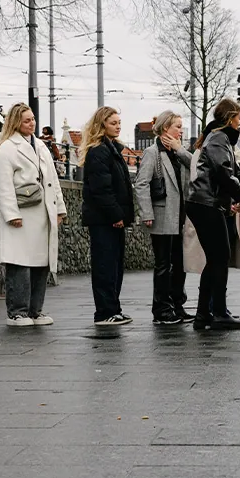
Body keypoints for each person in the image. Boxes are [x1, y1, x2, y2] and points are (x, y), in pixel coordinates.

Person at [0, 103, 68, 327]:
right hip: (22, 214)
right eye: (27, 120)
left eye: (33, 119)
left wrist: (60, 209)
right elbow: (2, 185)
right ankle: (17, 312)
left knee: (41, 263)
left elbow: (53, 181)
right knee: (19, 264)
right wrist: (10, 213)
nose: (32, 123)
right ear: (16, 122)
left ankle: (36, 310)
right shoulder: (7, 148)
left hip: (42, 214)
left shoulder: (41, 146)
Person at [186, 98, 240, 331]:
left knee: (216, 258)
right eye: (238, 118)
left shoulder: (220, 139)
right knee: (220, 256)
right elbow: (224, 173)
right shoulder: (218, 138)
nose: (239, 123)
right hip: (206, 203)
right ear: (229, 118)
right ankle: (218, 313)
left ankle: (204, 314)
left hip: (207, 203)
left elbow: (236, 172)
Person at [133, 110, 194, 325]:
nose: (181, 130)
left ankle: (177, 304)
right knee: (163, 264)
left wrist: (180, 151)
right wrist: (146, 213)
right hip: (162, 216)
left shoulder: (179, 151)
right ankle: (161, 309)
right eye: (177, 126)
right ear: (165, 127)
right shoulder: (152, 153)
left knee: (179, 263)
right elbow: (141, 184)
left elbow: (196, 167)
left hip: (180, 217)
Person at [80, 106, 135, 326]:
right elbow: (102, 189)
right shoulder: (99, 151)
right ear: (102, 125)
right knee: (105, 265)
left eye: (119, 122)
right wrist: (115, 214)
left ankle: (113, 308)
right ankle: (104, 312)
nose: (118, 126)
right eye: (113, 123)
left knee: (114, 265)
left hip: (110, 217)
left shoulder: (110, 149)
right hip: (103, 220)